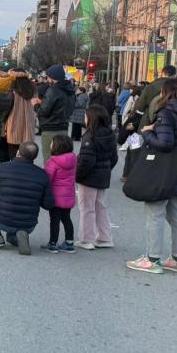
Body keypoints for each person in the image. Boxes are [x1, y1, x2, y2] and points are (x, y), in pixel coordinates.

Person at [126, 78, 177, 274]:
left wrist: (147, 133)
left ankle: (152, 259)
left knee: (155, 213)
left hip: (162, 170)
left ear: (167, 92)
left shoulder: (166, 114)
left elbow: (164, 143)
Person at [0, 140, 54, 255]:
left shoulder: (2, 168)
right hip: (28, 225)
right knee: (20, 216)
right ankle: (16, 236)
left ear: (18, 152)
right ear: (35, 157)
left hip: (2, 220)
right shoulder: (42, 175)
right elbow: (48, 204)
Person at [75, 104, 117, 250]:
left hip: (89, 177)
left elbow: (86, 161)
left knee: (86, 208)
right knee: (100, 206)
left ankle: (86, 239)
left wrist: (77, 176)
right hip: (103, 175)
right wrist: (106, 169)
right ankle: (105, 237)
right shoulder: (110, 134)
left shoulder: (89, 136)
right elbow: (114, 158)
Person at [42, 134, 77, 253]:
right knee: (66, 218)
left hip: (55, 197)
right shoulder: (72, 158)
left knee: (54, 220)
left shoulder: (53, 162)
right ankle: (69, 242)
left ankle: (52, 243)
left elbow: (48, 179)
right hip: (68, 196)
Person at [35, 64, 74, 160]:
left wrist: (35, 105)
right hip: (64, 128)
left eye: (48, 77)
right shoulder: (70, 90)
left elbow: (43, 111)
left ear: (53, 77)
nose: (47, 80)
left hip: (50, 129)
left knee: (49, 160)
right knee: (62, 159)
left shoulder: (53, 90)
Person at [3, 72, 37, 162]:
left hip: (14, 128)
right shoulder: (32, 93)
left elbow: (6, 111)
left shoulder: (12, 93)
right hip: (28, 128)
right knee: (27, 156)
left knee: (14, 156)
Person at [137, 64, 177, 129]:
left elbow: (140, 107)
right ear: (175, 75)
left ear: (163, 73)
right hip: (172, 123)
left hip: (149, 121)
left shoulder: (151, 86)